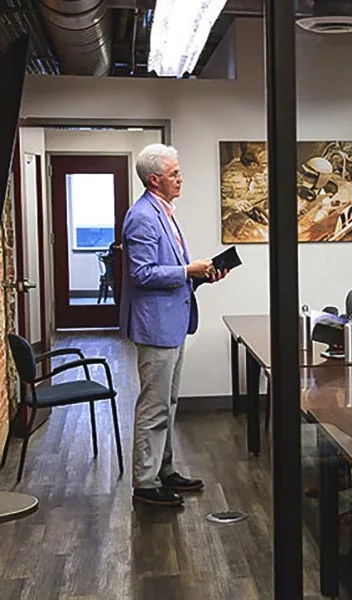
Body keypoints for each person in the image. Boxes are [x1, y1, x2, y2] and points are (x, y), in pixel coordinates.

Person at [121, 143, 227, 508]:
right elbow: (142, 273)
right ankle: (145, 484)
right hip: (156, 326)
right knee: (154, 405)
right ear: (155, 180)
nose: (181, 179)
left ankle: (163, 470)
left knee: (169, 401)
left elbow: (166, 272)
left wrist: (200, 277)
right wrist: (187, 270)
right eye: (174, 174)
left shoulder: (164, 212)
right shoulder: (143, 217)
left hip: (173, 320)